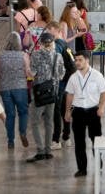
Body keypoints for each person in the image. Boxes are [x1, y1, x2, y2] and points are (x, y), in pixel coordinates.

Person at [64, 50, 105, 178]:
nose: (77, 62)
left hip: (93, 111)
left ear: (87, 60)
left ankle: (98, 165)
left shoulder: (96, 75)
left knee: (96, 140)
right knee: (79, 142)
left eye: (80, 60)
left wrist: (101, 108)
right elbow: (70, 95)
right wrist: (68, 111)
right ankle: (82, 169)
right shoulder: (73, 77)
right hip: (78, 112)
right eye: (76, 60)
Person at [27, 33, 64, 163]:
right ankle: (48, 150)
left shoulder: (36, 55)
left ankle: (40, 150)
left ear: (41, 43)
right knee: (49, 121)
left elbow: (32, 73)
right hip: (53, 93)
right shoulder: (57, 56)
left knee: (35, 121)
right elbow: (61, 74)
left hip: (39, 93)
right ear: (53, 43)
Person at [0, 32, 31, 149]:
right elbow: (28, 72)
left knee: (10, 115)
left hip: (5, 88)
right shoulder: (23, 55)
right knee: (23, 112)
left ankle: (10, 140)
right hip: (20, 87)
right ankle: (22, 132)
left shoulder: (0, 56)